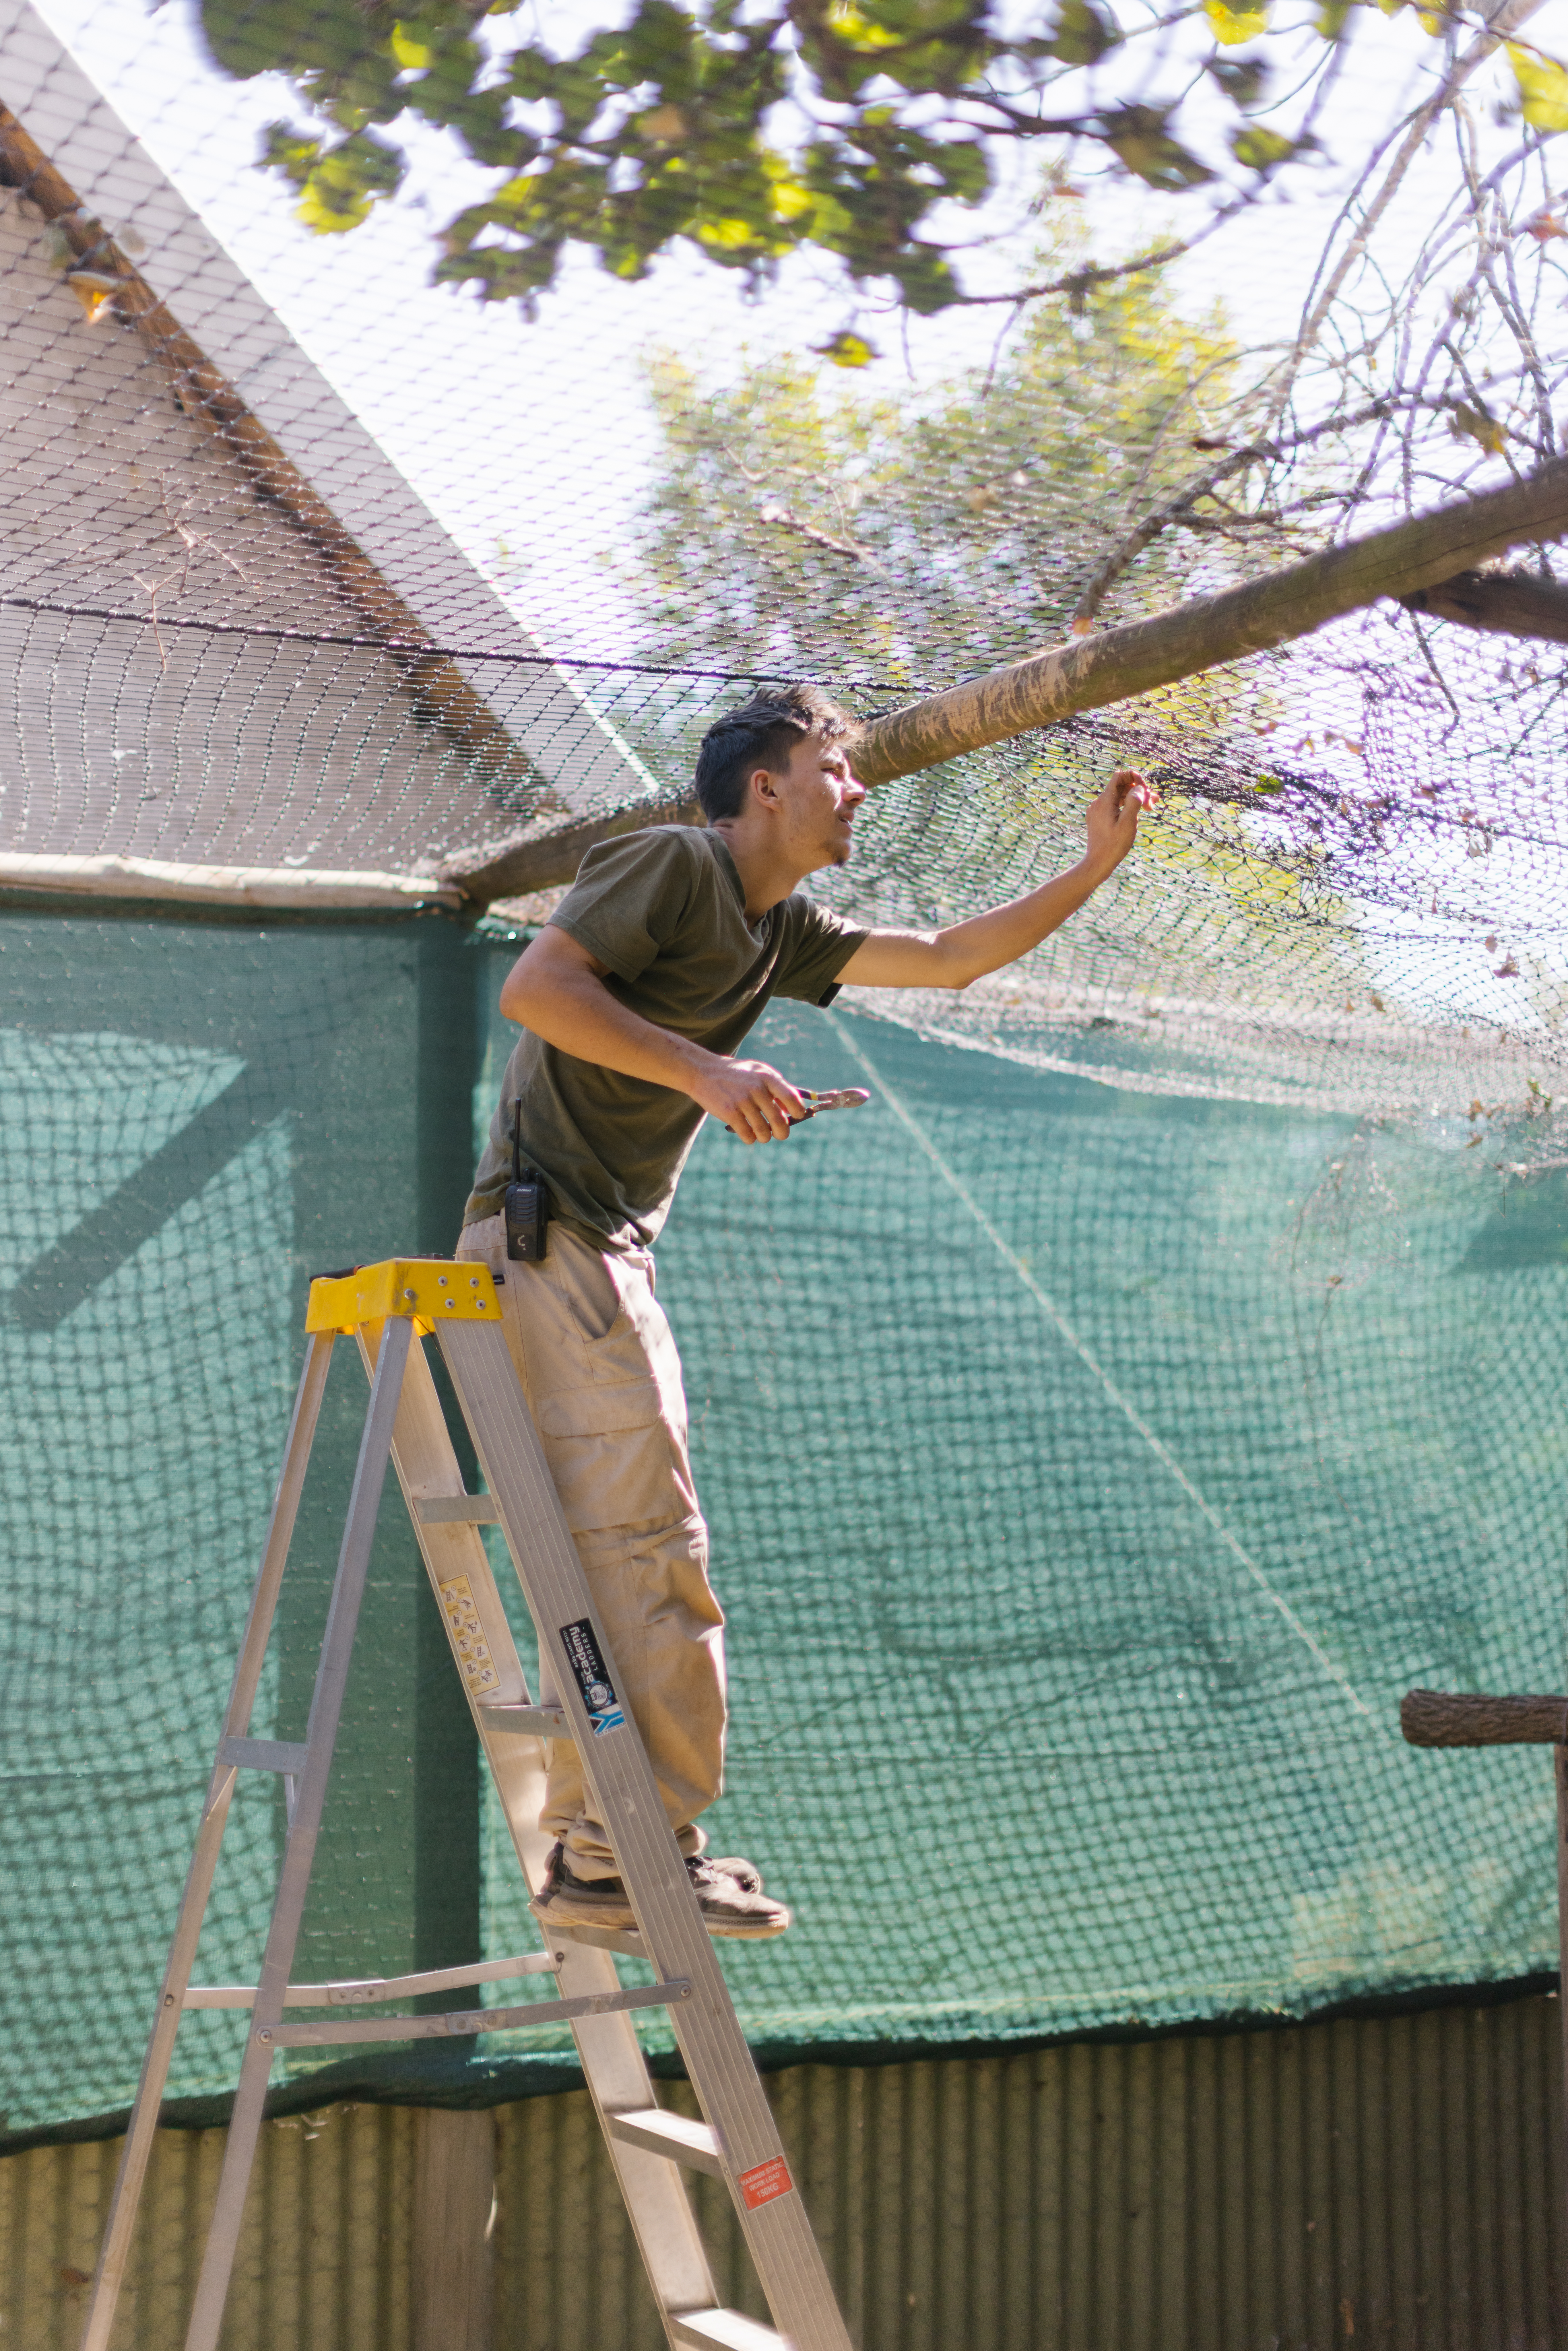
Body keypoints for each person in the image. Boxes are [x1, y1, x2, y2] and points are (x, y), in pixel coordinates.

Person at [457, 682, 1152, 1938]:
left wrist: (1093, 867)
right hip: (552, 1241)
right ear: (764, 789)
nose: (859, 787)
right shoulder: (677, 862)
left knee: (625, 1556)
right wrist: (710, 1073)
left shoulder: (781, 932)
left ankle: (607, 1843)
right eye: (836, 765)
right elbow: (539, 989)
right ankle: (623, 1850)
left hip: (592, 1252)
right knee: (650, 1550)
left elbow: (946, 959)